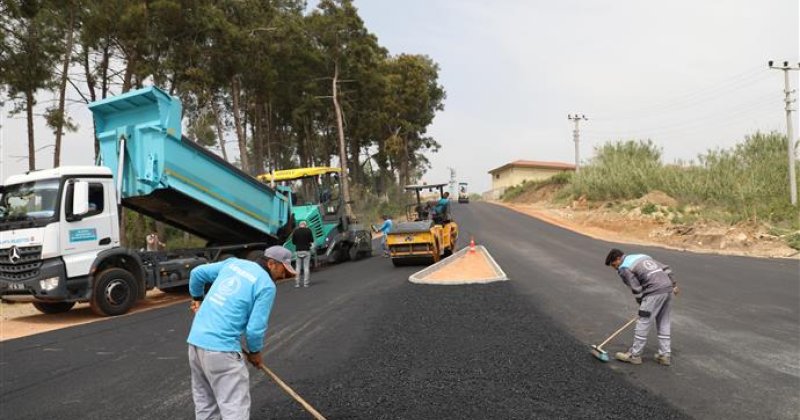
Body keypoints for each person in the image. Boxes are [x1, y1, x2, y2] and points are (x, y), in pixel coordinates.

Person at [187, 246, 295, 420]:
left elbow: (196, 274)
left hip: (196, 344)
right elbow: (255, 328)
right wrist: (255, 353)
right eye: (283, 269)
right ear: (271, 264)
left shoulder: (233, 264)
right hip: (222, 350)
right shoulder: (266, 285)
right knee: (234, 407)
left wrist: (197, 299)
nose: (283, 276)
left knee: (205, 404)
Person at [605, 248, 679, 366]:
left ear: (618, 259)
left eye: (614, 265)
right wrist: (674, 284)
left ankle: (635, 356)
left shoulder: (624, 268)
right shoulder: (642, 256)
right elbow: (666, 268)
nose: (615, 268)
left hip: (654, 292)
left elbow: (636, 289)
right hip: (668, 290)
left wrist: (642, 304)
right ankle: (665, 355)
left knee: (643, 322)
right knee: (664, 322)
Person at [291, 221, 314, 288]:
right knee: (306, 267)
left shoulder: (296, 231)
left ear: (299, 225)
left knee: (298, 267)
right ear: (305, 225)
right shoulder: (308, 230)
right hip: (306, 250)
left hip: (298, 251)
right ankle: (306, 283)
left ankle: (297, 283)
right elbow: (311, 240)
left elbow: (293, 242)